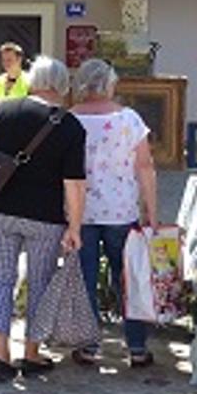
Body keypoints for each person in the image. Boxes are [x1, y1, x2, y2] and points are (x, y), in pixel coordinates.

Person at [0, 55, 85, 382]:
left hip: (0, 210)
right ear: (62, 86)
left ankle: (0, 354)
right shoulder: (70, 126)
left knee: (0, 280)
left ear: (33, 81)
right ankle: (31, 353)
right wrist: (75, 226)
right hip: (45, 216)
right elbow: (74, 183)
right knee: (40, 283)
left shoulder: (6, 111)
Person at [69, 59, 158, 368]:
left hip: (81, 212)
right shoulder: (129, 119)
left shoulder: (69, 120)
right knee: (128, 278)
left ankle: (89, 344)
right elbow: (144, 166)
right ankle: (136, 346)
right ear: (109, 84)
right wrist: (152, 211)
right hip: (121, 210)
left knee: (86, 278)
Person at [0, 41, 30, 120]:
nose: (6, 63)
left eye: (9, 60)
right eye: (3, 60)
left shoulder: (29, 80)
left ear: (19, 59)